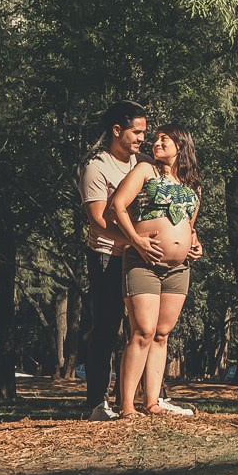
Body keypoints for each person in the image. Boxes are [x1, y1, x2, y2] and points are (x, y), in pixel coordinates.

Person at [108, 124, 203, 418]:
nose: (156, 142)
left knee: (162, 334)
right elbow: (117, 206)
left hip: (179, 268)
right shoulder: (145, 171)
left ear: (181, 145)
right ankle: (126, 406)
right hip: (142, 262)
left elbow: (189, 225)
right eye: (157, 138)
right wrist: (135, 241)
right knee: (143, 331)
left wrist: (195, 244)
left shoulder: (193, 185)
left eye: (165, 139)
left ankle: (151, 403)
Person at [78, 101, 147, 420]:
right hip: (106, 255)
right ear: (117, 130)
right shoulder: (97, 165)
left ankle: (138, 399)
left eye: (144, 132)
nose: (142, 138)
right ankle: (96, 402)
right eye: (137, 132)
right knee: (106, 327)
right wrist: (133, 240)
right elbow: (96, 219)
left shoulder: (142, 162)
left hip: (138, 256)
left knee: (143, 328)